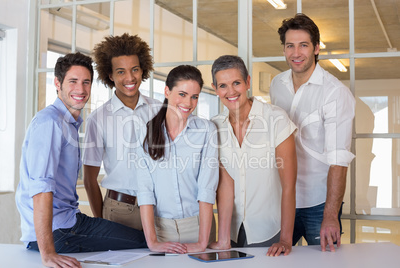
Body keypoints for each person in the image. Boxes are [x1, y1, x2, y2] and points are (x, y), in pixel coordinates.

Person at [15, 52, 147, 268]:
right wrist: (48, 253)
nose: (81, 89)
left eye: (86, 82)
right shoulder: (50, 123)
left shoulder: (68, 123)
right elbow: (41, 189)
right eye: (73, 81)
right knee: (144, 242)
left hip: (68, 224)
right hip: (61, 231)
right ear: (57, 83)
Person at [270, 13, 355, 252]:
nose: (296, 53)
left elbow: (338, 160)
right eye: (290, 46)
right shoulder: (277, 84)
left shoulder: (334, 93)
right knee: (277, 259)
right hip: (283, 198)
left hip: (318, 202)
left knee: (326, 262)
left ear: (317, 48)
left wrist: (330, 215)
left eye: (303, 45)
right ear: (284, 49)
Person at [209, 55, 297, 257]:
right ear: (215, 89)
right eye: (223, 85)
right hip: (230, 232)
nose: (230, 92)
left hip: (269, 231)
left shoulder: (276, 119)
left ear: (248, 82)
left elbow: (289, 185)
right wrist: (222, 237)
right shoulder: (214, 126)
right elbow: (224, 186)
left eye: (236, 83)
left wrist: (285, 239)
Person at [133, 65, 219, 254]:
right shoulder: (144, 134)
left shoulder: (206, 131)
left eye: (194, 96)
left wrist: (202, 242)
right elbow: (145, 191)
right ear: (167, 92)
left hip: (198, 227)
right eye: (182, 94)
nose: (188, 103)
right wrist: (152, 242)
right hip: (162, 230)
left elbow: (207, 188)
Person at [82, 33, 161, 230]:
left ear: (143, 69)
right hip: (119, 210)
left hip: (160, 207)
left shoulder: (160, 110)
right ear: (110, 75)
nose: (130, 78)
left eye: (135, 69)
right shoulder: (98, 118)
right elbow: (90, 179)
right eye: (120, 72)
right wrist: (101, 222)